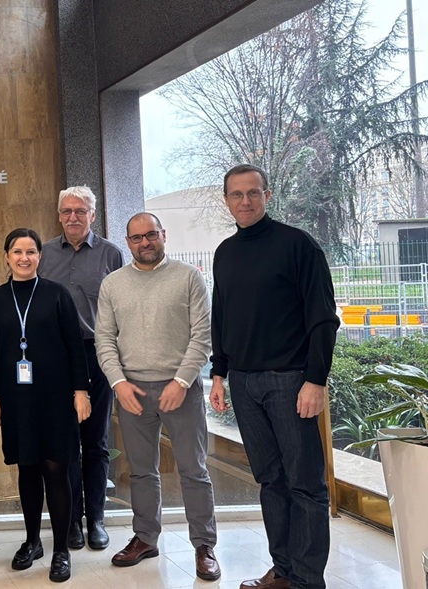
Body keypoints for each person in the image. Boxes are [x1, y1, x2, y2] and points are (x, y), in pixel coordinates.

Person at [209, 164, 339, 589]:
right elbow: (221, 316)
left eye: (253, 193)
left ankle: (307, 580)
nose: (245, 201)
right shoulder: (225, 253)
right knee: (270, 481)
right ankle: (283, 570)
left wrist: (315, 380)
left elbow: (323, 319)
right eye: (236, 194)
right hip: (244, 384)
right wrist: (219, 373)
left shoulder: (298, 245)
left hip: (291, 381)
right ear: (226, 200)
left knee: (305, 485)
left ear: (267, 196)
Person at [95, 212, 221, 582]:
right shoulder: (113, 284)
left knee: (193, 469)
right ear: (128, 242)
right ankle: (146, 538)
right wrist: (118, 383)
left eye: (151, 235)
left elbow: (203, 334)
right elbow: (105, 338)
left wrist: (181, 381)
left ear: (163, 235)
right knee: (141, 470)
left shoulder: (188, 277)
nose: (145, 243)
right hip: (132, 391)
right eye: (137, 238)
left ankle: (204, 545)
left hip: (180, 390)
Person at [0, 228, 91, 583]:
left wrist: (81, 391)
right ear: (7, 256)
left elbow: (75, 346)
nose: (24, 258)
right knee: (27, 469)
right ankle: (32, 541)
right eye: (17, 251)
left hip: (56, 398)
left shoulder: (57, 294)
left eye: (31, 251)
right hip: (16, 400)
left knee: (56, 470)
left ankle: (60, 550)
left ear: (40, 256)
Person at [38, 186, 123, 551]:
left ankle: (96, 519)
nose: (73, 217)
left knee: (97, 442)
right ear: (59, 215)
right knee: (65, 442)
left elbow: (122, 307)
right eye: (66, 211)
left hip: (97, 354)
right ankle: (71, 519)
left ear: (93, 215)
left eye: (80, 211)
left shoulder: (111, 254)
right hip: (56, 359)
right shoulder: (43, 254)